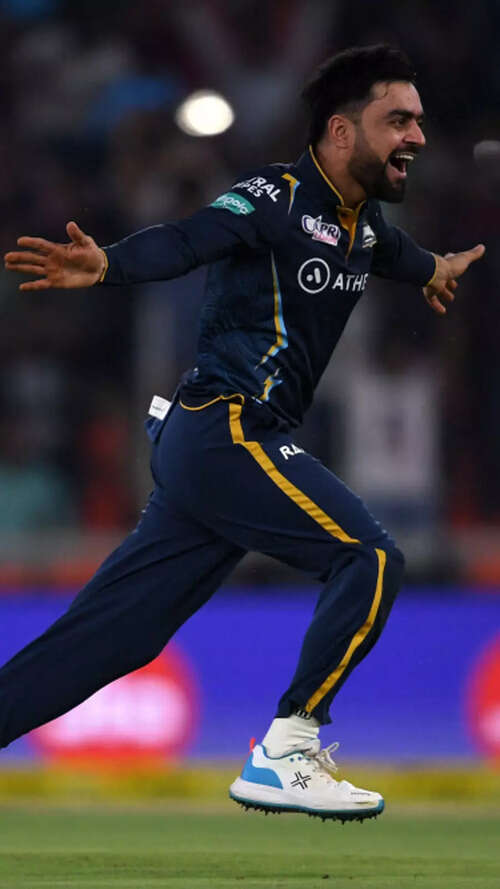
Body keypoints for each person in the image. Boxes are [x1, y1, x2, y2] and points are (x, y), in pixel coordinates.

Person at [3, 44, 484, 822]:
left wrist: (432, 269)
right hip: (225, 425)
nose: (418, 137)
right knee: (367, 556)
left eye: (419, 121)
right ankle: (288, 748)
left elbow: (394, 253)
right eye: (398, 120)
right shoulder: (273, 196)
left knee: (110, 639)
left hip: (211, 451)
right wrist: (112, 264)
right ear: (340, 131)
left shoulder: (364, 226)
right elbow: (188, 238)